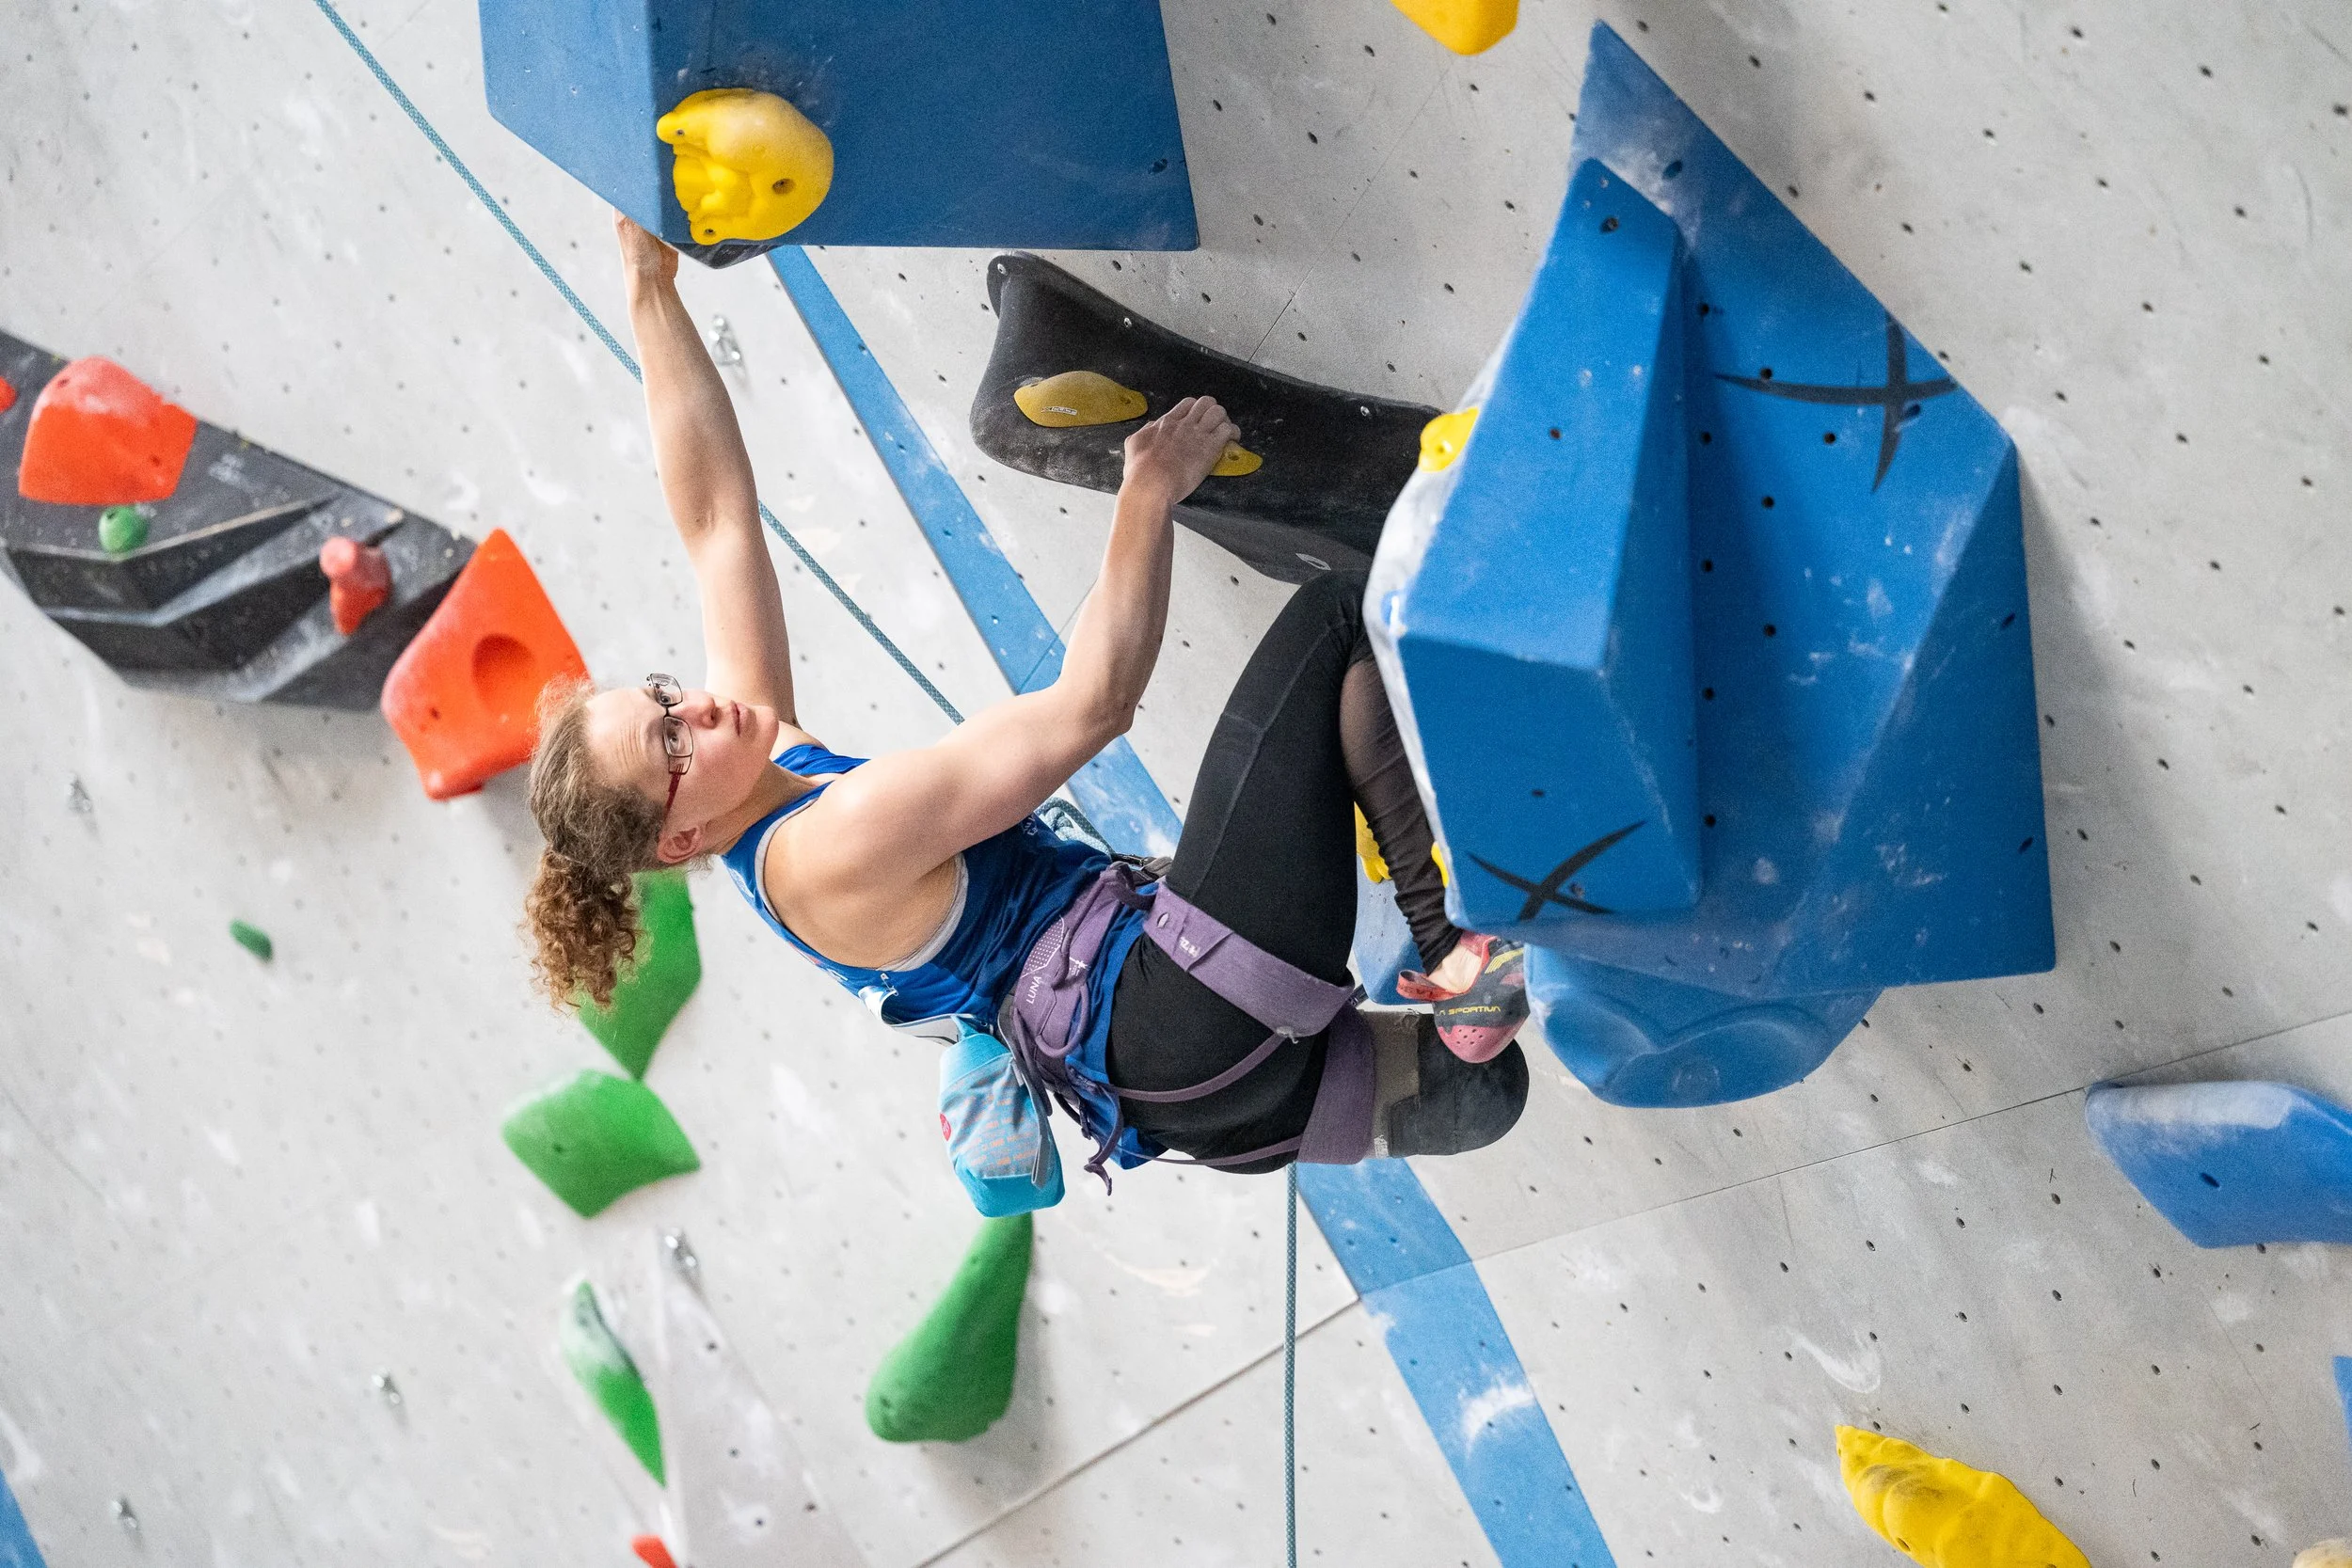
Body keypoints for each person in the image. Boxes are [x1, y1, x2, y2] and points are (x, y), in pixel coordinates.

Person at [523, 214, 1530, 1180]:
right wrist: (1148, 492)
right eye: (670, 746)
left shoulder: (751, 774)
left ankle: (1332, 1075)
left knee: (1488, 1089)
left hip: (1178, 1090)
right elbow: (1093, 703)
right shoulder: (833, 841)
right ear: (679, 840)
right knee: (1335, 617)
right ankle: (1451, 954)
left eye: (665, 695)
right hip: (1175, 1010)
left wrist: (648, 290)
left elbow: (714, 520)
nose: (695, 710)